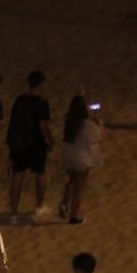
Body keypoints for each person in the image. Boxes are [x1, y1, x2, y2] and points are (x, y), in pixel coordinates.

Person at [8, 71, 55, 216]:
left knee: (17, 174)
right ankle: (39, 206)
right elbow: (43, 125)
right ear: (41, 84)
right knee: (40, 173)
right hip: (35, 142)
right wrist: (50, 140)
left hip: (19, 141)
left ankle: (14, 211)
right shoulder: (42, 102)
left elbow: (13, 120)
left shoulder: (20, 99)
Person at [59, 95, 104, 224]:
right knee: (79, 188)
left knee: (72, 181)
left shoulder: (68, 121)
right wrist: (99, 124)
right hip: (82, 159)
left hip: (68, 156)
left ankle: (64, 203)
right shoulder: (88, 125)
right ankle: (74, 215)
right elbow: (98, 137)